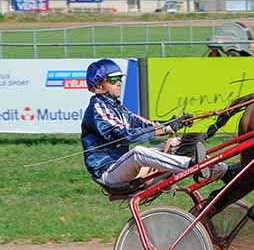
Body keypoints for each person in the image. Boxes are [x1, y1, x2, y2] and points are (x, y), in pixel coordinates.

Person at [81, 59, 229, 188]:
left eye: (120, 78)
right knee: (138, 152)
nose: (119, 82)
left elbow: (147, 124)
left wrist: (174, 123)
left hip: (123, 166)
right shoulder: (96, 109)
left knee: (178, 142)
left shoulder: (119, 108)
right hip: (108, 172)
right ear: (98, 86)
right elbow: (121, 135)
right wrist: (161, 130)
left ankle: (221, 170)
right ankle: (192, 165)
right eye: (113, 80)